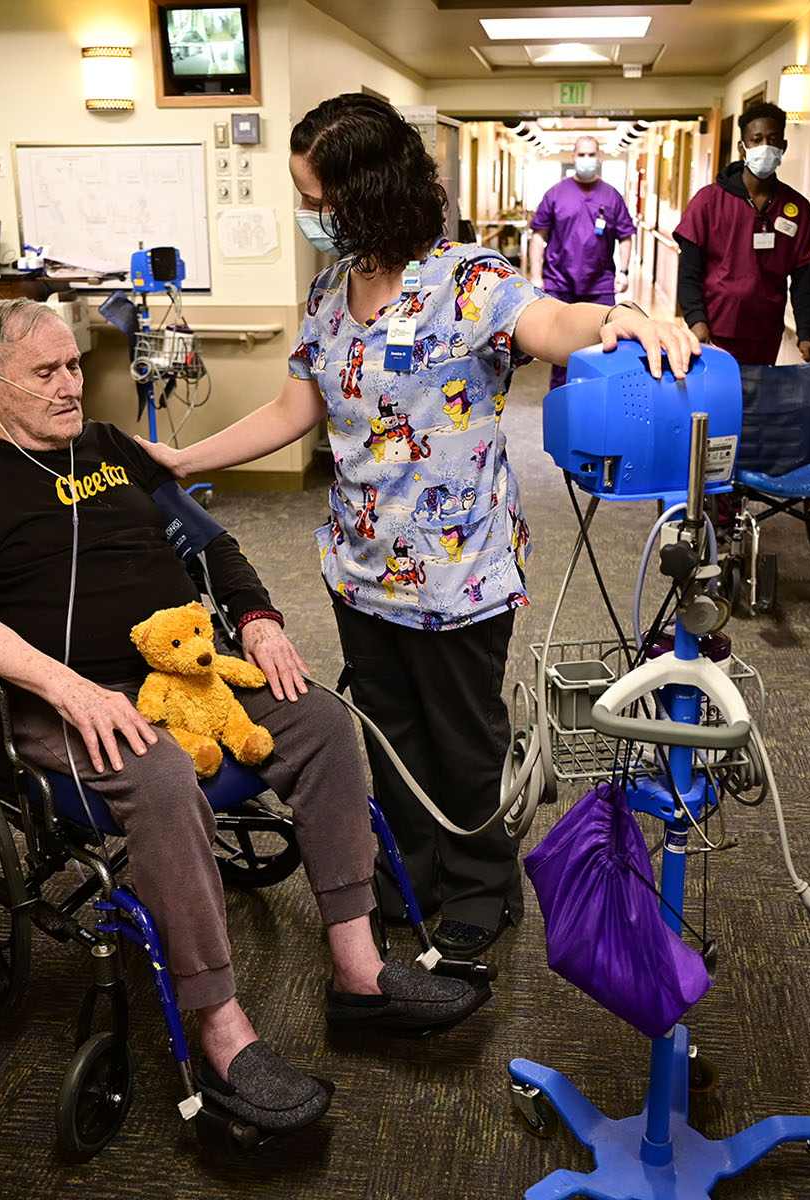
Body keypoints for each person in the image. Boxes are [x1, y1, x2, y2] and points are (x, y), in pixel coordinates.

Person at [0, 298, 486, 1135]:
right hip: (66, 698)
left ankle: (359, 971)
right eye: (47, 373)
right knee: (163, 772)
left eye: (73, 365)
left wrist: (256, 618)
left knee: (321, 720)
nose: (72, 385)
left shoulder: (109, 447)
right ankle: (221, 1026)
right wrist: (68, 689)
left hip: (192, 668)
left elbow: (210, 542)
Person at [138, 93, 699, 961]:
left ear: (367, 194)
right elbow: (296, 407)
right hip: (358, 568)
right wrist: (185, 458)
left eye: (317, 201)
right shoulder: (330, 292)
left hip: (459, 574)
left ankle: (482, 887)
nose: (308, 218)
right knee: (390, 741)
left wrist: (616, 319)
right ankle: (419, 872)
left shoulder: (467, 279)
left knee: (463, 743)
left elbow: (549, 322)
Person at [674, 101, 810, 366]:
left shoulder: (796, 208)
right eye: (757, 140)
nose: (765, 146)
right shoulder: (708, 202)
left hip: (765, 334)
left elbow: (804, 282)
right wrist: (696, 321)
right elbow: (688, 273)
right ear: (742, 147)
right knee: (718, 405)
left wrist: (805, 334)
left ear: (783, 147)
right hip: (714, 332)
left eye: (772, 139)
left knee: (757, 405)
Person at [528, 134, 638, 389]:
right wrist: (536, 275)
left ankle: (597, 401)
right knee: (561, 352)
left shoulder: (611, 196)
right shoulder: (556, 193)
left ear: (599, 157)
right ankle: (562, 401)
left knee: (605, 347)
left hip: (599, 285)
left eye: (591, 155)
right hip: (560, 283)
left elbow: (626, 235)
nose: (586, 159)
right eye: (582, 154)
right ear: (573, 157)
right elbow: (538, 235)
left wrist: (623, 270)